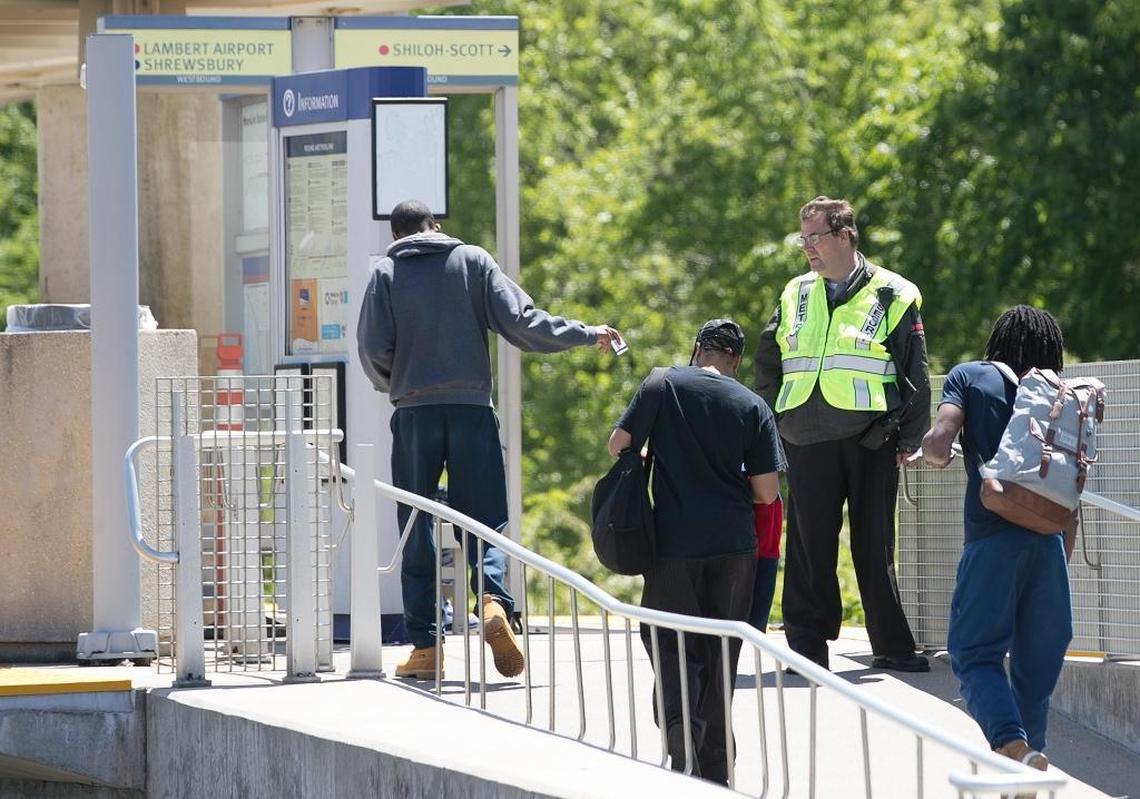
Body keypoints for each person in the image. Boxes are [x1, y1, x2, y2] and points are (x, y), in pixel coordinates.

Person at [358, 199, 624, 680]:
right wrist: (588, 334)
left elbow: (373, 348)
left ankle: (425, 647)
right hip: (471, 410)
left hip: (414, 411)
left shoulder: (385, 274)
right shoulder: (473, 260)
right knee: (485, 516)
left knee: (416, 522)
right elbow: (523, 324)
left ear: (396, 237)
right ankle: (495, 602)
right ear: (435, 227)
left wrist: (398, 383)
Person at [754, 195, 931, 672]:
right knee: (809, 546)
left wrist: (911, 437)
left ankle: (892, 647)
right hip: (804, 434)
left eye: (816, 237)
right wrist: (772, 424)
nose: (808, 247)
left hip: (871, 437)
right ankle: (807, 652)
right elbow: (767, 362)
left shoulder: (894, 292)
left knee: (874, 543)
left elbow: (915, 368)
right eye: (803, 239)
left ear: (845, 235)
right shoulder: (795, 291)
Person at [608, 319, 785, 784]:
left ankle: (678, 720)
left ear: (697, 349)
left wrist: (657, 458)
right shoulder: (752, 404)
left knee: (668, 637)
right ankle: (715, 766)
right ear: (736, 359)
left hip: (672, 544)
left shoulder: (661, 383)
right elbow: (767, 492)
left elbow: (618, 445)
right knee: (721, 649)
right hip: (734, 546)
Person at [921, 305, 1071, 778]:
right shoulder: (1061, 394)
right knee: (1034, 668)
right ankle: (1029, 764)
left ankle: (1010, 744)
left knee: (973, 653)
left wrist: (931, 451)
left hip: (992, 538)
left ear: (998, 340)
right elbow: (1071, 485)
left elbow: (941, 438)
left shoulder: (970, 377)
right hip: (1048, 545)